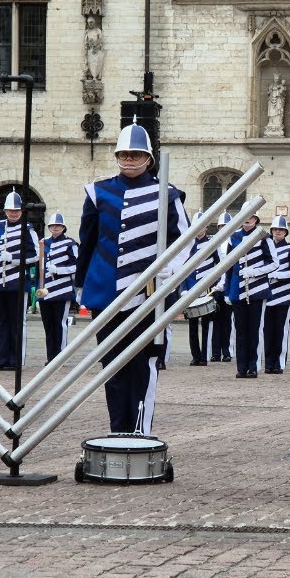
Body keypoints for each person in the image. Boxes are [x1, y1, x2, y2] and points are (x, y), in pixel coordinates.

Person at [75, 122, 189, 434]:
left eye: (135, 154)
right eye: (123, 154)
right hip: (107, 293)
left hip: (148, 294)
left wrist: (170, 270)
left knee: (143, 365)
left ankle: (140, 432)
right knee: (111, 367)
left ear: (148, 158)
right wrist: (81, 284)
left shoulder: (167, 193)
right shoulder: (98, 192)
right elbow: (88, 242)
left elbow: (184, 240)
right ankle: (117, 431)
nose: (129, 159)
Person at [0, 191, 40, 371]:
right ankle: (3, 360)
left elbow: (35, 256)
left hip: (17, 283)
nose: (13, 213)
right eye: (10, 210)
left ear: (21, 211)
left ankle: (16, 361)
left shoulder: (28, 229)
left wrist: (14, 258)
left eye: (16, 210)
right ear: (5, 211)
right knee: (1, 323)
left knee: (17, 323)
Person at [224, 211, 278, 379]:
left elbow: (274, 263)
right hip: (237, 290)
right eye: (245, 217)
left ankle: (253, 366)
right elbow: (227, 266)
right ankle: (241, 367)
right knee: (240, 331)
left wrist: (254, 271)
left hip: (257, 290)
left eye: (251, 217)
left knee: (254, 330)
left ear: (256, 219)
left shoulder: (263, 237)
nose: (248, 220)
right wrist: (227, 291)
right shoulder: (233, 237)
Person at [183, 212, 223, 366]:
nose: (199, 229)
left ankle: (205, 356)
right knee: (192, 326)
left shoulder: (212, 244)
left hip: (208, 290)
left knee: (207, 324)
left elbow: (221, 266)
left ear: (206, 227)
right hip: (191, 289)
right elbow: (182, 270)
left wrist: (219, 284)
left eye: (202, 226)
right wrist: (183, 289)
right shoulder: (187, 245)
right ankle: (195, 356)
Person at [37, 212, 79, 362]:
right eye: (53, 225)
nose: (55, 227)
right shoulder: (43, 243)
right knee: (48, 326)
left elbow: (77, 266)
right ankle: (51, 357)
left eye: (58, 225)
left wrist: (59, 270)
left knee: (60, 324)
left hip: (62, 290)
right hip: (45, 290)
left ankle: (60, 357)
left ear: (63, 227)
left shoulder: (70, 243)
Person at [262, 215, 290, 374]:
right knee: (267, 332)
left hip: (284, 297)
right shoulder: (265, 248)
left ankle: (278, 363)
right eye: (275, 229)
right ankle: (268, 363)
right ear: (272, 231)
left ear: (285, 232)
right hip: (267, 295)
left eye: (281, 230)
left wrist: (277, 275)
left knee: (280, 331)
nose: (278, 232)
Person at [209, 211, 235, 363]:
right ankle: (215, 352)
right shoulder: (213, 243)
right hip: (215, 288)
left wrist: (226, 284)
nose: (224, 228)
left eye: (227, 226)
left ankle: (227, 351)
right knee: (215, 321)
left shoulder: (234, 242)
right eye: (221, 226)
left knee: (228, 321)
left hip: (228, 287)